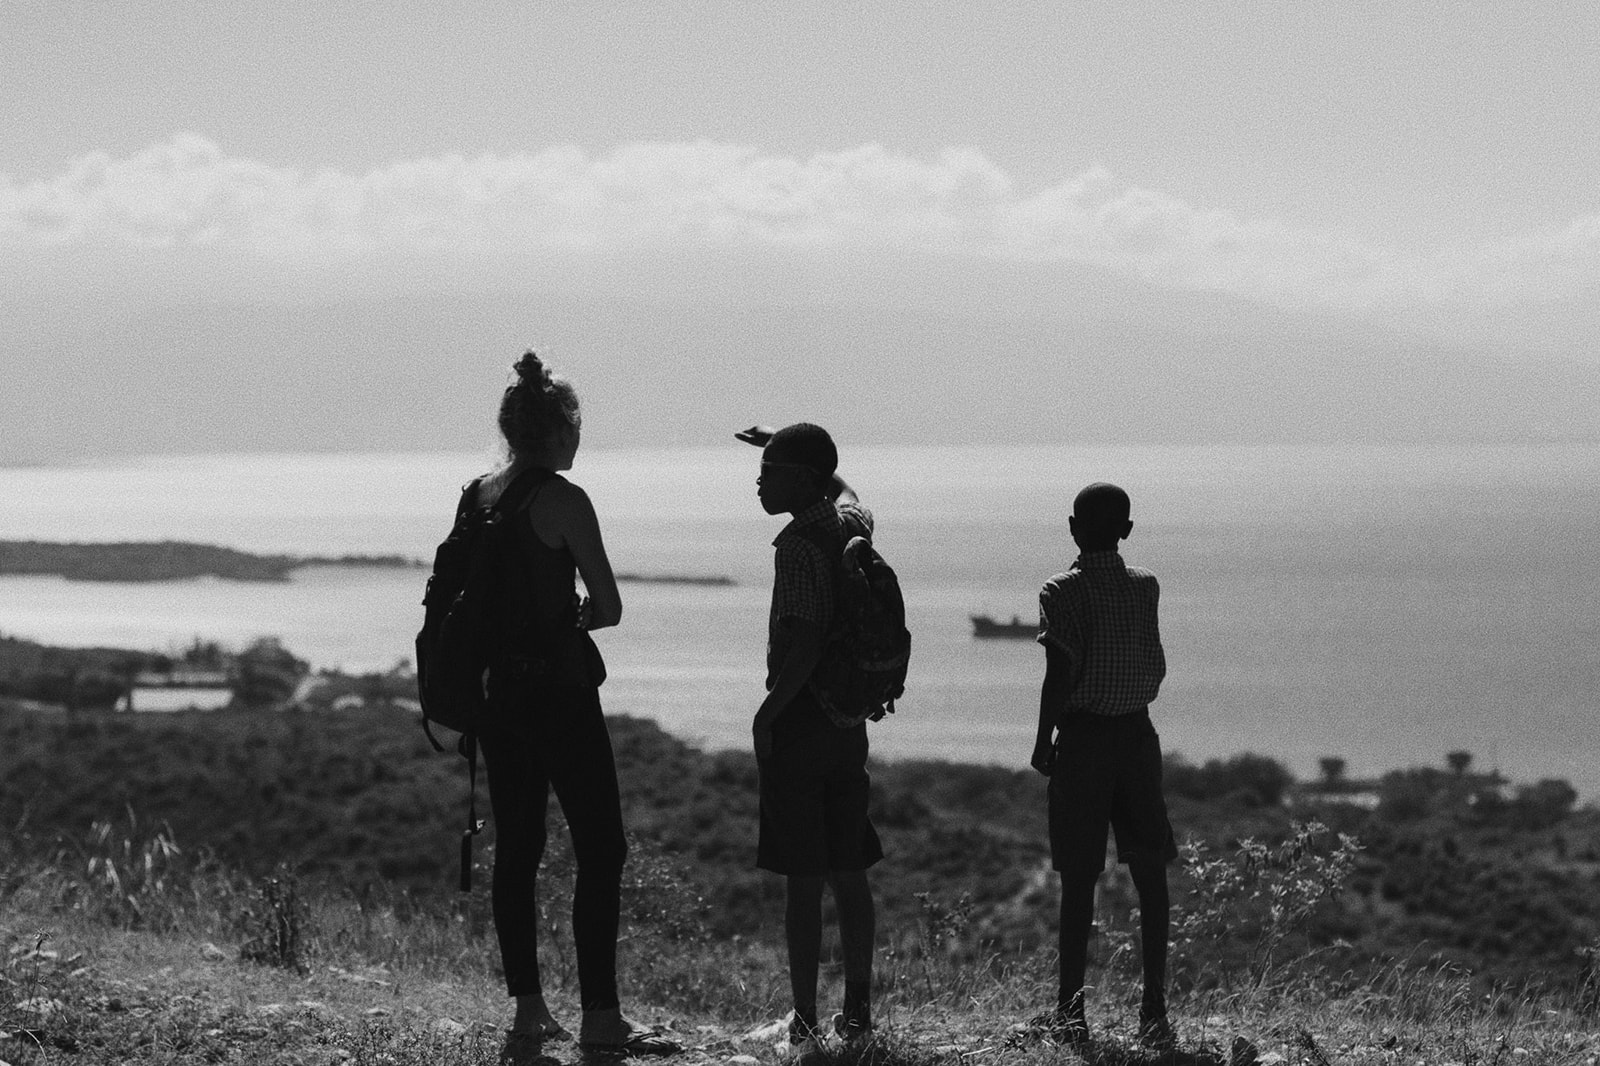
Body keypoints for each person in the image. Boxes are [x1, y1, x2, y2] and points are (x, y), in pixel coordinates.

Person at [476, 352, 678, 1059]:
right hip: (561, 695)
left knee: (517, 850)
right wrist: (572, 616)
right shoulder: (566, 500)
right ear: (562, 431)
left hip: (498, 698)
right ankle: (600, 1017)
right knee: (601, 847)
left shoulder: (481, 496)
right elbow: (610, 607)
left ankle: (528, 1012)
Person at [740, 422, 882, 1064]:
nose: (759, 479)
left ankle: (803, 1019)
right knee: (848, 871)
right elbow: (850, 491)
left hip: (801, 724)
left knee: (803, 878)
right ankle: (857, 1012)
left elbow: (805, 641)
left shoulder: (797, 545)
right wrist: (786, 442)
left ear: (802, 480)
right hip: (848, 724)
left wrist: (766, 716)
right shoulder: (850, 525)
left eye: (771, 469)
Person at [1029, 482, 1177, 1050]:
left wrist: (1045, 740)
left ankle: (1072, 1014)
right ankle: (1154, 1011)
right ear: (1128, 531)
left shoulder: (1061, 590)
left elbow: (1059, 675)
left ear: (1072, 527)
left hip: (1086, 740)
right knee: (1150, 874)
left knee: (1078, 877)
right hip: (1137, 736)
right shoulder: (1146, 586)